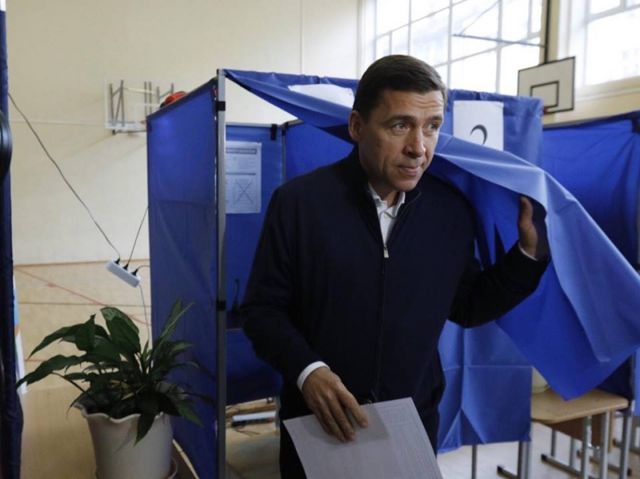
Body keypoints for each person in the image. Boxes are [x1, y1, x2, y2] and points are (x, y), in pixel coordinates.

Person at [241, 54, 549, 478]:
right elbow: (262, 311)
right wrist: (308, 372)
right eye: (400, 125)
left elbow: (467, 305)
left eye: (432, 126)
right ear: (357, 127)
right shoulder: (300, 204)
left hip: (411, 425)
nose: (418, 148)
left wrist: (528, 255)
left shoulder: (450, 213)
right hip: (319, 425)